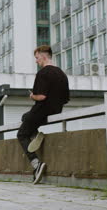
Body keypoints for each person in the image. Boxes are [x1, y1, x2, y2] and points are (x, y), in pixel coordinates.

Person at [17, 45, 69, 184]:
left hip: (41, 111)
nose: (36, 61)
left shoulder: (43, 73)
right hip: (56, 110)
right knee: (25, 117)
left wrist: (32, 96)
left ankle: (36, 165)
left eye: (37, 58)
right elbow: (65, 98)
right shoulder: (62, 74)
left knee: (21, 134)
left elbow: (41, 96)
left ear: (43, 56)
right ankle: (35, 135)